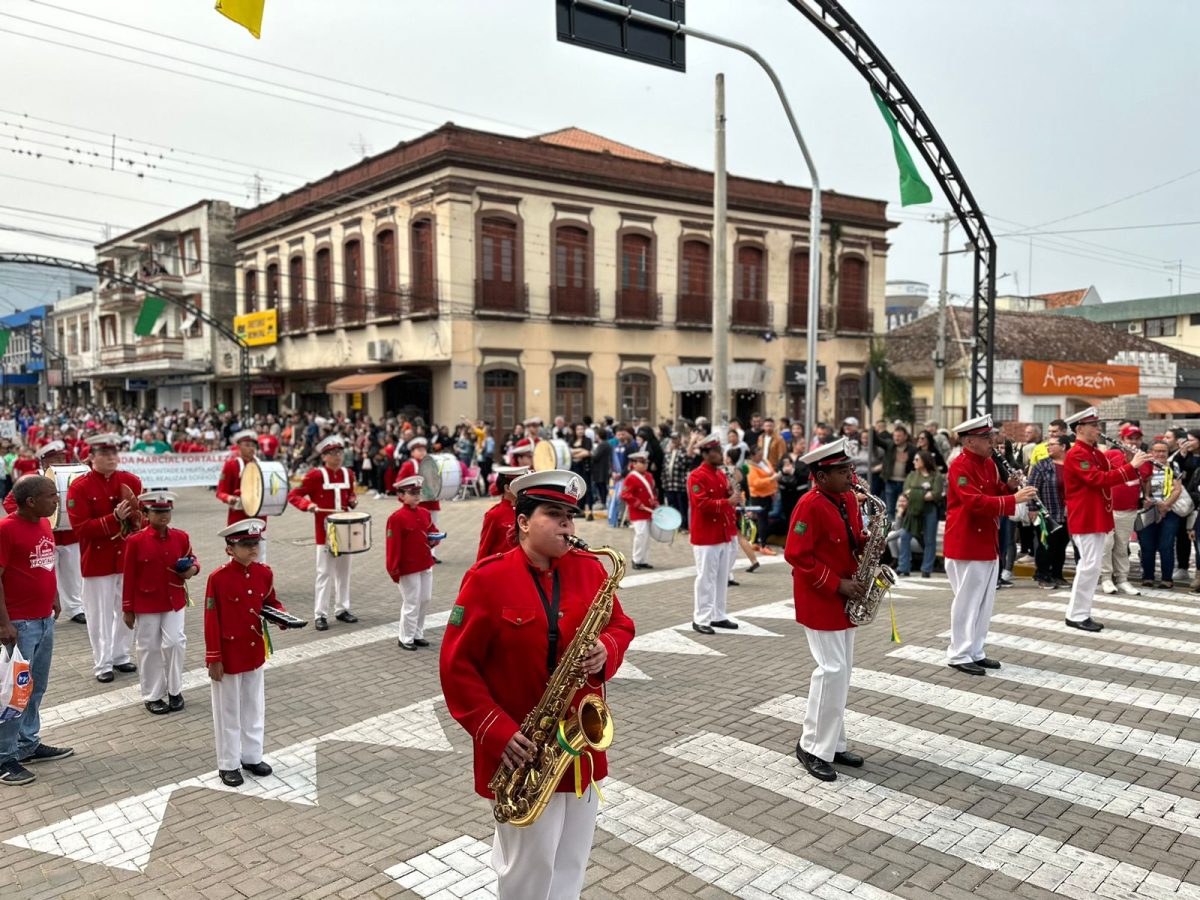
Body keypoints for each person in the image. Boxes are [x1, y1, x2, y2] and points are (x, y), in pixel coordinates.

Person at [439, 470, 635, 899]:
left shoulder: (590, 570)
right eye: (554, 514)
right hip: (521, 753)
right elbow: (458, 668)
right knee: (528, 868)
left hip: (578, 752)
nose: (567, 525)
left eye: (570, 516)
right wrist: (499, 732)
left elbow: (621, 623)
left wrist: (606, 647)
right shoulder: (486, 579)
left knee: (571, 861)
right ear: (523, 521)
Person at [784, 439, 867, 783]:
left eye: (849, 468)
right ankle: (812, 747)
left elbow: (853, 537)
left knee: (842, 672)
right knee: (830, 670)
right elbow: (796, 555)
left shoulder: (847, 497)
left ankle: (833, 743)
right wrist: (838, 584)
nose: (851, 475)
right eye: (842, 471)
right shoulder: (809, 505)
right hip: (822, 597)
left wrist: (871, 540)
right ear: (820, 476)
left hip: (845, 597)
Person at [943, 415, 1036, 676]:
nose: (991, 441)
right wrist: (1013, 499)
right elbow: (974, 502)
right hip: (966, 542)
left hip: (986, 541)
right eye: (986, 438)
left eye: (991, 436)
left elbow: (994, 491)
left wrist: (1009, 486)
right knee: (967, 601)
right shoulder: (960, 466)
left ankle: (975, 650)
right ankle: (959, 653)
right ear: (969, 440)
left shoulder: (988, 464)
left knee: (984, 601)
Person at [205, 518, 294, 787]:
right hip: (229, 654)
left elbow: (269, 600)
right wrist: (214, 658)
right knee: (228, 711)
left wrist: (282, 616)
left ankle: (252, 756)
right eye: (246, 544)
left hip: (253, 650)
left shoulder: (263, 573)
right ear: (230, 549)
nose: (252, 549)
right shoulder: (218, 579)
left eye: (255, 543)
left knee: (254, 707)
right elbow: (212, 619)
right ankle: (228, 763)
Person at [0, 475, 72, 786]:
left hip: (43, 619)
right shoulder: (6, 530)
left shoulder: (44, 523)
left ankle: (27, 744)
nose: (57, 500)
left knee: (35, 687)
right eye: (51, 495)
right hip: (19, 625)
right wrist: (4, 623)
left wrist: (54, 596)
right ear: (31, 501)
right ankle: (5, 757)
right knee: (13, 694)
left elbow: (45, 564)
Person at [1063, 408, 1149, 632]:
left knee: (1092, 567)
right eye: (1093, 426)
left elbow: (1111, 472)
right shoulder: (1077, 454)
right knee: (1089, 567)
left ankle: (1082, 612)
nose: (1098, 430)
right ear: (1080, 429)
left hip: (1098, 516)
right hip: (1086, 517)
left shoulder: (1094, 453)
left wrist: (1128, 460)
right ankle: (1076, 614)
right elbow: (1097, 479)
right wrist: (1132, 467)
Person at [67, 433, 143, 683]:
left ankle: (121, 655)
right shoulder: (79, 487)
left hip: (125, 557)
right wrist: (114, 519)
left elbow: (139, 519)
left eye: (114, 453)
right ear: (91, 458)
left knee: (126, 609)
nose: (111, 458)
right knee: (98, 615)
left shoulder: (130, 481)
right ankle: (102, 663)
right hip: (97, 561)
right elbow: (81, 529)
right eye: (104, 454)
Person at [121, 491, 200, 715]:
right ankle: (153, 695)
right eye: (157, 511)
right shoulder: (135, 540)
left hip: (174, 598)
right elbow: (129, 576)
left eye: (166, 511)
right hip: (146, 601)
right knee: (149, 648)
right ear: (146, 513)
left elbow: (192, 558)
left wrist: (193, 569)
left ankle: (175, 690)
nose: (163, 515)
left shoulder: (181, 536)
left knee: (175, 643)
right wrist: (128, 609)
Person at [3, 441, 85, 625]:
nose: (60, 460)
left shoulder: (72, 474)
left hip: (70, 534)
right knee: (45, 572)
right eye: (55, 458)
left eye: (62, 457)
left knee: (73, 573)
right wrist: (34, 522)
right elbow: (10, 503)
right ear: (44, 460)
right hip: (43, 536)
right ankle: (46, 610)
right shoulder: (32, 479)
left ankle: (75, 608)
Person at [287, 435, 358, 631]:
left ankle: (342, 609)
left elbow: (350, 494)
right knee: (324, 573)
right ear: (324, 456)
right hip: (324, 532)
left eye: (340, 452)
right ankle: (320, 614)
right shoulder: (315, 475)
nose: (338, 456)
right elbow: (294, 495)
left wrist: (352, 500)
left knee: (344, 572)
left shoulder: (348, 474)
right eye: (333, 453)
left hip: (345, 529)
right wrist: (308, 505)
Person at [687, 436, 739, 635]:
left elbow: (724, 497)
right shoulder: (697, 476)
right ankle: (701, 618)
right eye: (717, 452)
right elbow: (702, 504)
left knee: (721, 577)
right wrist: (728, 501)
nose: (721, 455)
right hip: (706, 535)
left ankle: (718, 614)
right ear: (706, 454)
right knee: (706, 578)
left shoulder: (720, 474)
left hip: (722, 532)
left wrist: (730, 494)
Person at [387, 475, 441, 651]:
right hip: (408, 566)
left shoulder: (424, 513)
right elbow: (393, 546)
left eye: (418, 492)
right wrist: (394, 569)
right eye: (412, 492)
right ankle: (405, 637)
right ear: (401, 495)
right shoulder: (396, 518)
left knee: (425, 599)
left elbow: (432, 532)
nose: (417, 496)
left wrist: (435, 539)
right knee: (412, 602)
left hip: (425, 563)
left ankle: (418, 634)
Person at [1101, 427, 1144, 596]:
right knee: (1106, 545)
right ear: (1122, 439)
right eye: (1129, 438)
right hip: (1107, 508)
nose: (1133, 442)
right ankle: (1105, 578)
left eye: (1136, 438)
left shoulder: (1145, 459)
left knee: (1121, 546)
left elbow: (1145, 482)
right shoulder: (1111, 455)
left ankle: (1122, 579)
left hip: (1129, 510)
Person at [216, 430, 270, 563]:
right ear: (239, 446)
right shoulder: (231, 465)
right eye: (247, 445)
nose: (251, 448)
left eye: (253, 445)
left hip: (259, 519)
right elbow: (220, 492)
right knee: (237, 559)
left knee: (259, 558)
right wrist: (229, 498)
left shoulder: (263, 465)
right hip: (238, 520)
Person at [1137, 439, 1184, 589]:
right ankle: (1148, 577)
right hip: (1149, 510)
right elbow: (1141, 485)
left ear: (1168, 452)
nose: (1160, 454)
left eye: (1163, 451)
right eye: (1157, 451)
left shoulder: (1173, 466)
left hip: (1169, 511)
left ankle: (1166, 579)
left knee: (1166, 545)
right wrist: (1146, 499)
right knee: (1146, 545)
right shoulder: (1145, 466)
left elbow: (1177, 488)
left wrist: (1166, 504)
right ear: (1151, 452)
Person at [1027, 436, 1071, 589]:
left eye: (1052, 444)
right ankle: (1043, 574)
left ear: (1063, 447)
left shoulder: (1072, 464)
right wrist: (1032, 508)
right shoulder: (1042, 465)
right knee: (1046, 544)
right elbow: (1031, 488)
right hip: (1047, 511)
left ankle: (1057, 574)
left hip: (1068, 512)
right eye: (1048, 445)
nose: (1048, 447)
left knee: (1061, 544)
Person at [896, 450, 945, 578]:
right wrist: (923, 493)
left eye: (917, 460)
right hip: (912, 512)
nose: (914, 462)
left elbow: (936, 494)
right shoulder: (911, 475)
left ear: (925, 460)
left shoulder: (936, 476)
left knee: (929, 540)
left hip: (929, 511)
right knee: (905, 536)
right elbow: (906, 492)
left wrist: (914, 493)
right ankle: (903, 566)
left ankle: (926, 569)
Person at [395, 438, 443, 561]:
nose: (422, 452)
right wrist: (405, 500)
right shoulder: (408, 465)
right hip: (418, 504)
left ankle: (432, 553)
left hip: (432, 502)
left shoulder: (432, 463)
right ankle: (420, 552)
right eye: (419, 450)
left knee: (433, 528)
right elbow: (399, 482)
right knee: (418, 529)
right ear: (412, 452)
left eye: (424, 449)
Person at [477, 466, 529, 561]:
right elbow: (484, 548)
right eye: (521, 485)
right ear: (507, 488)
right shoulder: (494, 515)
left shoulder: (529, 510)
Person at [620, 450, 658, 570]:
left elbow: (652, 492)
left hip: (648, 510)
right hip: (638, 511)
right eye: (642, 462)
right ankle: (636, 559)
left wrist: (655, 502)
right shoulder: (631, 477)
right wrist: (637, 503)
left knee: (646, 537)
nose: (645, 465)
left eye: (646, 462)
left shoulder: (649, 476)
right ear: (635, 464)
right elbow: (625, 494)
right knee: (641, 535)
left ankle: (644, 560)